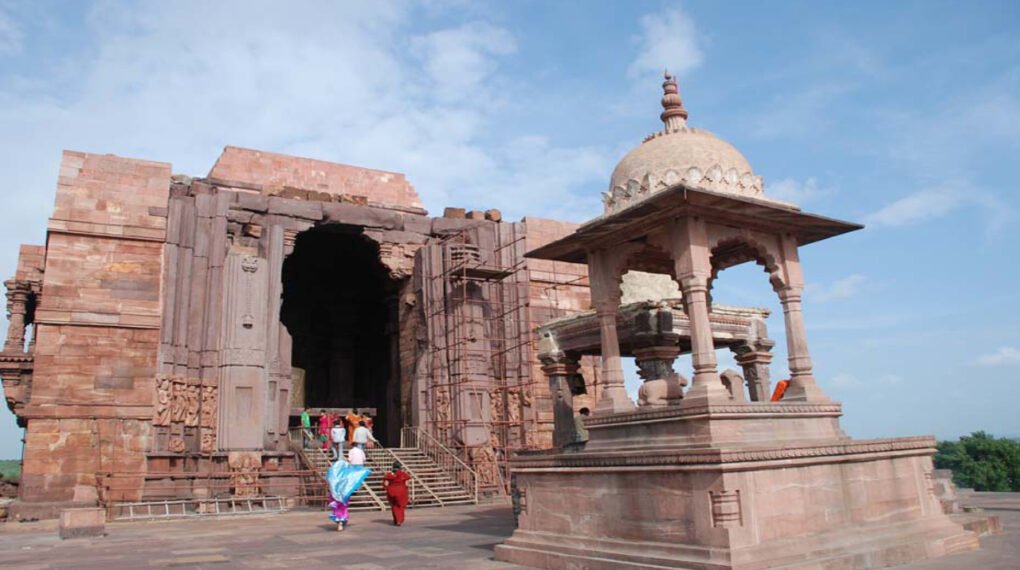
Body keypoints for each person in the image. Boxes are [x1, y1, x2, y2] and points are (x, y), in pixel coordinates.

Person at [326, 452, 372, 532]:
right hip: (344, 495)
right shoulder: (345, 474)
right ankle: (341, 522)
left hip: (334, 495)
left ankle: (340, 523)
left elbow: (329, 483)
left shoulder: (332, 474)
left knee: (337, 509)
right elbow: (352, 478)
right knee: (343, 508)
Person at [382, 461, 411, 526]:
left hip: (391, 491)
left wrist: (386, 488)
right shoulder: (403, 474)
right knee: (400, 506)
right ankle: (399, 520)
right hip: (401, 491)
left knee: (394, 505)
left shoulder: (389, 474)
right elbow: (406, 484)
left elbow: (386, 483)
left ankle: (396, 519)